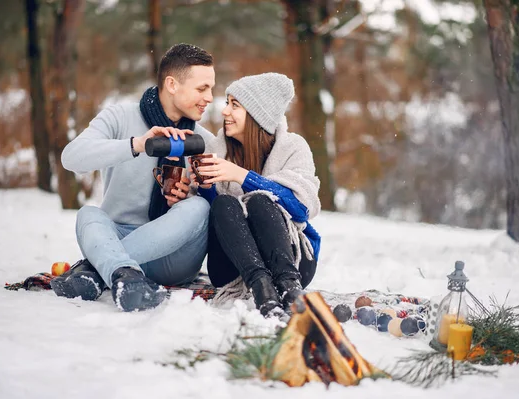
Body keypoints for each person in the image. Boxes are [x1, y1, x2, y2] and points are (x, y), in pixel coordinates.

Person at [51, 43, 216, 312]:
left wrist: (189, 196)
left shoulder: (203, 141)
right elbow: (71, 157)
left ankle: (95, 270)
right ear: (172, 84)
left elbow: (220, 205)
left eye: (211, 88)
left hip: (172, 258)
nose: (210, 97)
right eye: (202, 88)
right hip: (118, 235)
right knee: (88, 214)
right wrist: (136, 145)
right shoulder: (120, 117)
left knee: (198, 207)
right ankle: (125, 276)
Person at [192, 73, 321, 318]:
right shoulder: (217, 150)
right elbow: (215, 218)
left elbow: (302, 208)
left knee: (262, 201)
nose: (224, 112)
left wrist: (244, 177)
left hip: (291, 263)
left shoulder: (293, 147)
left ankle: (287, 289)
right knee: (224, 203)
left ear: (256, 114)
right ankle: (262, 287)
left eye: (234, 105)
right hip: (232, 267)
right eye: (227, 103)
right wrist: (204, 186)